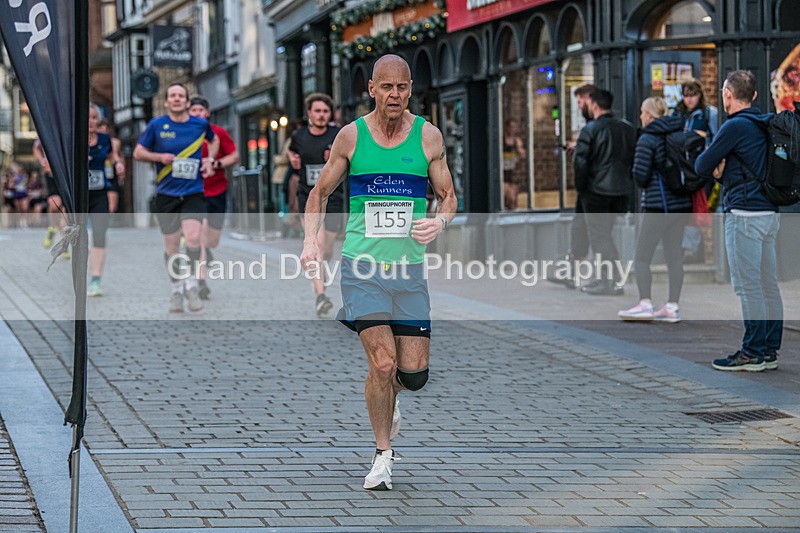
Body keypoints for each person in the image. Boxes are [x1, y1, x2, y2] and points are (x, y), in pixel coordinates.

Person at [300, 54, 456, 491]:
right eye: (386, 87)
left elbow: (448, 195)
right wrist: (311, 241)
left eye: (402, 87)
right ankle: (383, 454)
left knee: (414, 375)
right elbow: (320, 192)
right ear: (371, 89)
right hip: (361, 268)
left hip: (409, 272)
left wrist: (440, 221)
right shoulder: (351, 137)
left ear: (411, 90)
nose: (395, 95)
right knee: (383, 364)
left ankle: (391, 401)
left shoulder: (428, 137)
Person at [696, 70, 782, 372]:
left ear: (727, 95)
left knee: (749, 287)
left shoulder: (734, 127)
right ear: (756, 95)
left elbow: (701, 164)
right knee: (768, 284)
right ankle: (770, 350)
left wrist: (719, 170)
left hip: (744, 214)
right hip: (769, 213)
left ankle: (752, 352)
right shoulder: (766, 123)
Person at [133, 82, 219, 313]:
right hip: (167, 194)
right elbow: (138, 153)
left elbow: (214, 140)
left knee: (192, 238)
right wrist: (159, 157)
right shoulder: (157, 125)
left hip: (193, 192)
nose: (177, 99)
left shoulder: (199, 124)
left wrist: (210, 160)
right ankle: (176, 290)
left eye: (181, 96)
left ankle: (191, 284)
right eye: (173, 96)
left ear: (188, 102)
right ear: (167, 101)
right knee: (171, 247)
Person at [618, 97, 692, 322]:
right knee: (674, 256)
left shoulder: (647, 138)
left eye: (642, 112)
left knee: (641, 257)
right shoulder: (679, 133)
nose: (640, 116)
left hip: (657, 205)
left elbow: (640, 176)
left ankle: (645, 303)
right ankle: (672, 306)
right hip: (680, 205)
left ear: (650, 115)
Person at [574, 88, 636, 295]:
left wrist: (582, 189)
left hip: (597, 191)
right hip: (621, 192)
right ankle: (608, 279)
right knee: (605, 235)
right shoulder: (627, 128)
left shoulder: (590, 130)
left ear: (594, 105)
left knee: (599, 237)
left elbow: (580, 163)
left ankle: (609, 281)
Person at [289, 93, 342, 316]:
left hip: (334, 197)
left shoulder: (338, 135)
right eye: (317, 111)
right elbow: (292, 154)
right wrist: (293, 160)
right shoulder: (299, 136)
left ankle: (320, 272)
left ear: (330, 114)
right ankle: (321, 296)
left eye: (325, 111)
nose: (321, 115)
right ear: (309, 113)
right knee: (317, 244)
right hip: (308, 197)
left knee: (327, 249)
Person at [188, 96, 239, 300]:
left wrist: (216, 164)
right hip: (194, 191)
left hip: (217, 189)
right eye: (194, 111)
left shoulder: (218, 133)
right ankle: (201, 282)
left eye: (201, 111)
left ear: (207, 113)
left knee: (212, 239)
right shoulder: (186, 133)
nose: (198, 114)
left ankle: (206, 250)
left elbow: (234, 156)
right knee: (199, 236)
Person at [549, 84, 596, 288]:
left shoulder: (596, 125)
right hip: (586, 185)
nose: (578, 106)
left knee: (594, 231)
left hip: (595, 186)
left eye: (580, 101)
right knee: (579, 227)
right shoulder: (590, 125)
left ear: (590, 100)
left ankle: (598, 276)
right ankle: (572, 271)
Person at [674, 78, 719, 263]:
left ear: (699, 95)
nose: (690, 99)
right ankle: (688, 249)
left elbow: (717, 139)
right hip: (684, 168)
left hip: (702, 170)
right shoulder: (679, 115)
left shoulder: (709, 114)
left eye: (693, 95)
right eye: (686, 95)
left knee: (698, 209)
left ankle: (692, 250)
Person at [86, 104, 124, 297]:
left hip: (99, 193)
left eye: (94, 118)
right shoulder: (72, 139)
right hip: (79, 197)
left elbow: (112, 156)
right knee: (77, 237)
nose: (91, 122)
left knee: (100, 234)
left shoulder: (104, 139)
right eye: (87, 118)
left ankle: (95, 280)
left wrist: (117, 164)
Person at [35, 138, 67, 251]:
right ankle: (52, 228)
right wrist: (42, 160)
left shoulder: (69, 126)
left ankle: (64, 246)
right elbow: (36, 148)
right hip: (51, 174)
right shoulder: (47, 125)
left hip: (67, 174)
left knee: (65, 212)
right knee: (54, 205)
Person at [96, 119, 126, 215]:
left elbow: (117, 155)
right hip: (97, 173)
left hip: (111, 174)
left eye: (106, 130)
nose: (104, 132)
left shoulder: (114, 142)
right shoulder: (92, 140)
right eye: (101, 129)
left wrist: (120, 167)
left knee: (112, 207)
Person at [502, 118, 526, 210]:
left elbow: (522, 154)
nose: (512, 129)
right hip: (503, 173)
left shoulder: (517, 141)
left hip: (512, 173)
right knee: (507, 197)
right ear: (506, 128)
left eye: (514, 127)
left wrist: (520, 152)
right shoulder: (502, 140)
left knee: (513, 200)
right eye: (510, 127)